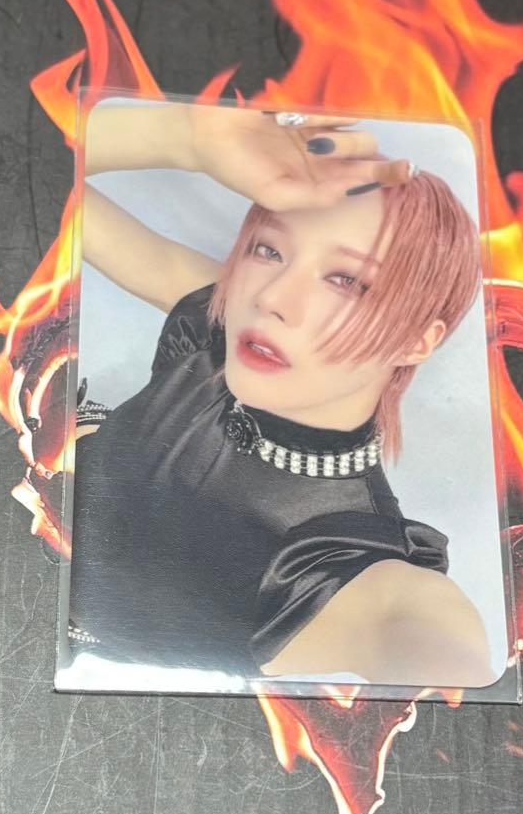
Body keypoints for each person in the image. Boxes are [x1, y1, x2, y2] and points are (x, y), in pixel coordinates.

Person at [69, 100, 495, 688]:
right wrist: (183, 136)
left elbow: (433, 647)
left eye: (346, 280)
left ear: (417, 340)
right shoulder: (223, 330)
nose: (271, 298)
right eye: (269, 250)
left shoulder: (342, 564)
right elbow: (37, 182)